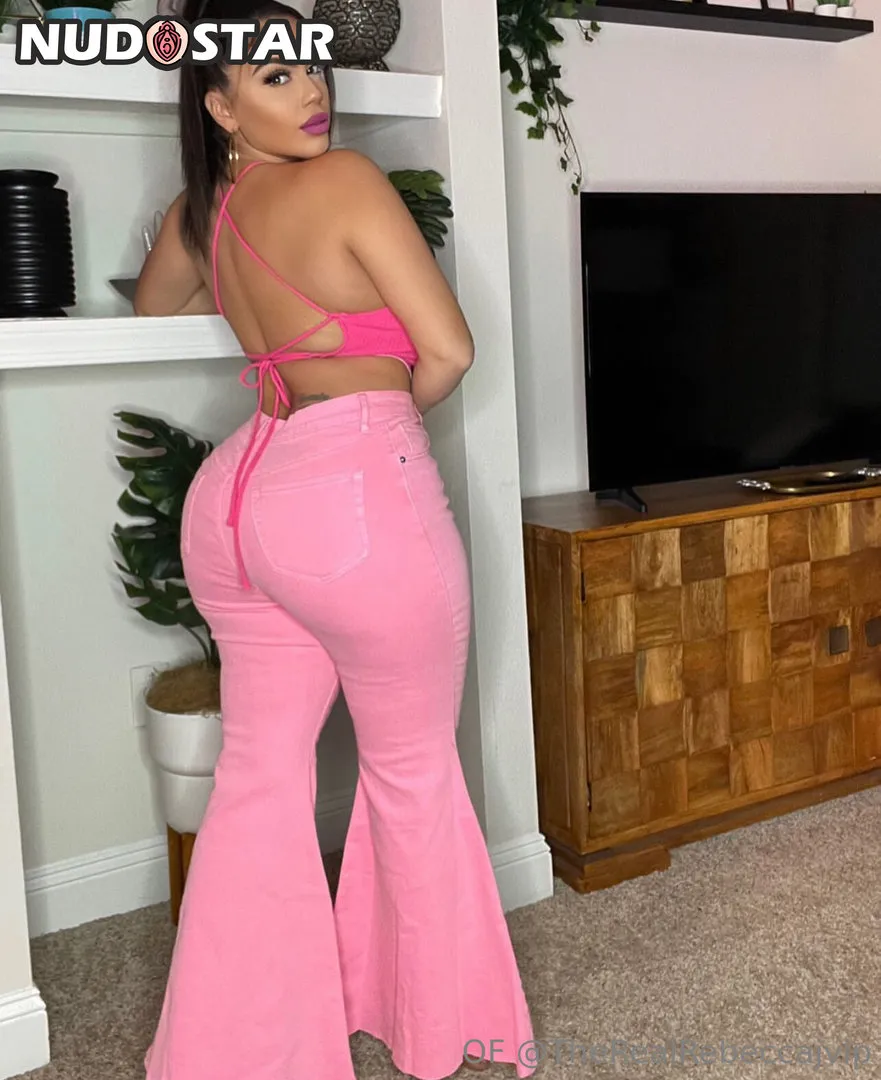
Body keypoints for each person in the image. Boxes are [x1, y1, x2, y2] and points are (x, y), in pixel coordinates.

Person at [134, 1, 536, 1078]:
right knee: (408, 770)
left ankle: (223, 1052)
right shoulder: (349, 182)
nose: (312, 89)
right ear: (219, 105)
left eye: (310, 66)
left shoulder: (199, 214)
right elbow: (448, 351)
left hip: (235, 501)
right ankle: (432, 1033)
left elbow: (151, 306)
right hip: (344, 490)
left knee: (258, 775)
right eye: (274, 76)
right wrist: (374, 422)